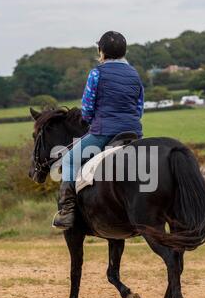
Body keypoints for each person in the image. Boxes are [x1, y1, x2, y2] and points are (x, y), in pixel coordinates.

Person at [53, 30, 144, 229]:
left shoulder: (97, 73)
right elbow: (139, 108)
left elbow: (86, 108)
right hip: (133, 132)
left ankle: (67, 211)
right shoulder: (135, 74)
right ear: (124, 52)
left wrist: (90, 120)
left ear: (101, 51)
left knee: (69, 159)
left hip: (105, 131)